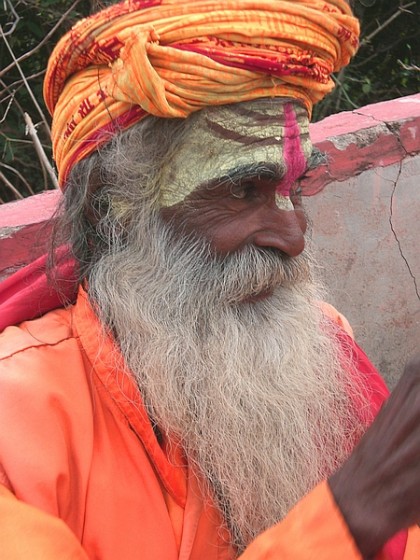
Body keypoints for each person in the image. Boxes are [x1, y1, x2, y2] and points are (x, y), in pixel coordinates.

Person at [0, 1, 419, 559]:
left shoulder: (321, 343)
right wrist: (348, 520)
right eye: (242, 191)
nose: (292, 238)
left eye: (294, 189)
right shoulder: (15, 420)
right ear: (112, 210)